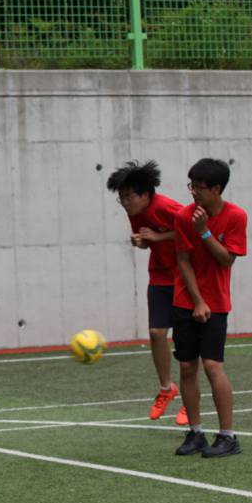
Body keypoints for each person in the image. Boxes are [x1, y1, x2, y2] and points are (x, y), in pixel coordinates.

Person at [171, 159, 247, 458]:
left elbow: (227, 259)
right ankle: (196, 433)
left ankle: (228, 437)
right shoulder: (183, 216)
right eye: (191, 186)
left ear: (216, 189)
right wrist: (196, 301)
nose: (193, 192)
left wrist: (204, 232)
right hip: (185, 300)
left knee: (213, 366)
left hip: (217, 302)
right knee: (187, 366)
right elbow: (183, 260)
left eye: (199, 187)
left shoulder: (236, 216)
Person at [106, 161, 187, 425]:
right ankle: (166, 388)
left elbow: (193, 232)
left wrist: (157, 237)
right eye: (121, 198)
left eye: (128, 197)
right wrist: (142, 242)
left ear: (145, 194)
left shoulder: (166, 207)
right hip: (160, 274)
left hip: (185, 276)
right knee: (156, 333)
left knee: (186, 340)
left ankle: (190, 400)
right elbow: (149, 241)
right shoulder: (135, 211)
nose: (124, 203)